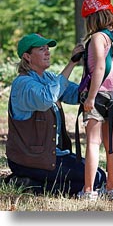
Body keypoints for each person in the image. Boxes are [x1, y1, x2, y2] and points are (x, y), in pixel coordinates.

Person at [5, 33, 106, 197]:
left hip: (48, 156)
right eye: (41, 49)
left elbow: (76, 94)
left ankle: (29, 182)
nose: (47, 52)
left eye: (47, 48)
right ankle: (29, 185)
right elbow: (47, 98)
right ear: (27, 57)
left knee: (97, 175)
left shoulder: (48, 77)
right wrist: (72, 63)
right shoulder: (22, 84)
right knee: (94, 179)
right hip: (28, 159)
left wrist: (92, 67)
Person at [77, 0, 113, 200]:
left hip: (97, 95)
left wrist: (90, 98)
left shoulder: (97, 38)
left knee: (93, 143)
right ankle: (112, 188)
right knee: (112, 143)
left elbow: (100, 67)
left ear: (91, 18)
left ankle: (89, 190)